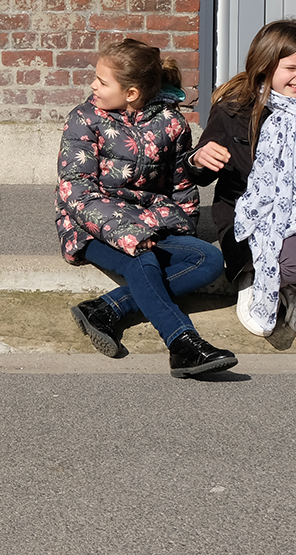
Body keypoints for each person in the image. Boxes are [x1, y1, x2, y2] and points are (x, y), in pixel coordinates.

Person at [56, 38, 236, 378]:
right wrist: (130, 235)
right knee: (144, 259)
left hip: (151, 220)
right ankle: (183, 343)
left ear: (132, 93)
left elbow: (180, 183)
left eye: (102, 81)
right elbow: (76, 190)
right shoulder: (84, 119)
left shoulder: (171, 123)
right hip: (89, 224)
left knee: (207, 259)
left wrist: (181, 226)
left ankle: (106, 308)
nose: (93, 85)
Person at [187, 19, 296, 339]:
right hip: (249, 217)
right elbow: (198, 174)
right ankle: (253, 279)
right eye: (292, 67)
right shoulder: (233, 110)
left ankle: (291, 288)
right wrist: (198, 159)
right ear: (266, 64)